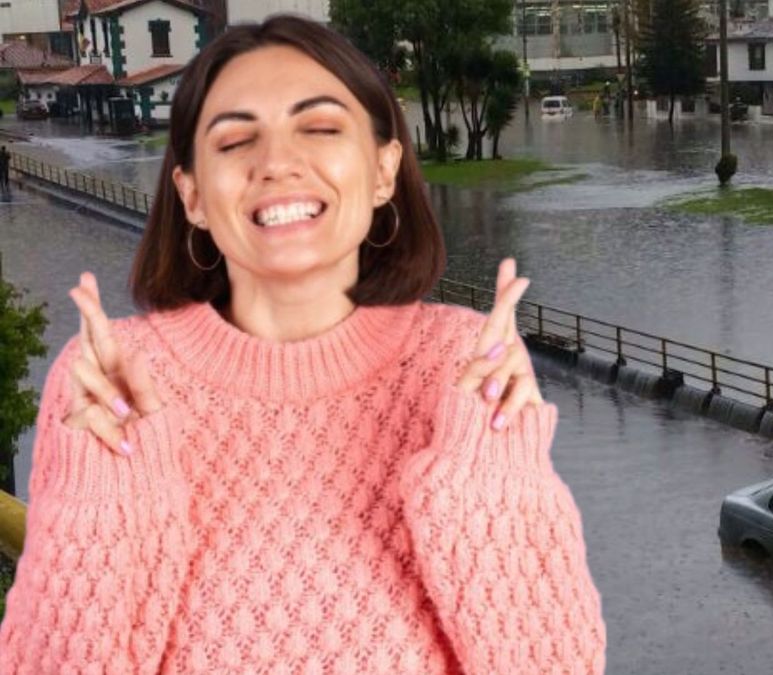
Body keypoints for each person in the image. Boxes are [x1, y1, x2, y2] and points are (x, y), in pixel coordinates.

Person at [0, 16, 605, 673]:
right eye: (235, 140)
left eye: (318, 127)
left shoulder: (465, 366)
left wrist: (488, 479)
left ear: (383, 171)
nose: (277, 163)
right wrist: (108, 500)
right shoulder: (110, 378)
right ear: (193, 194)